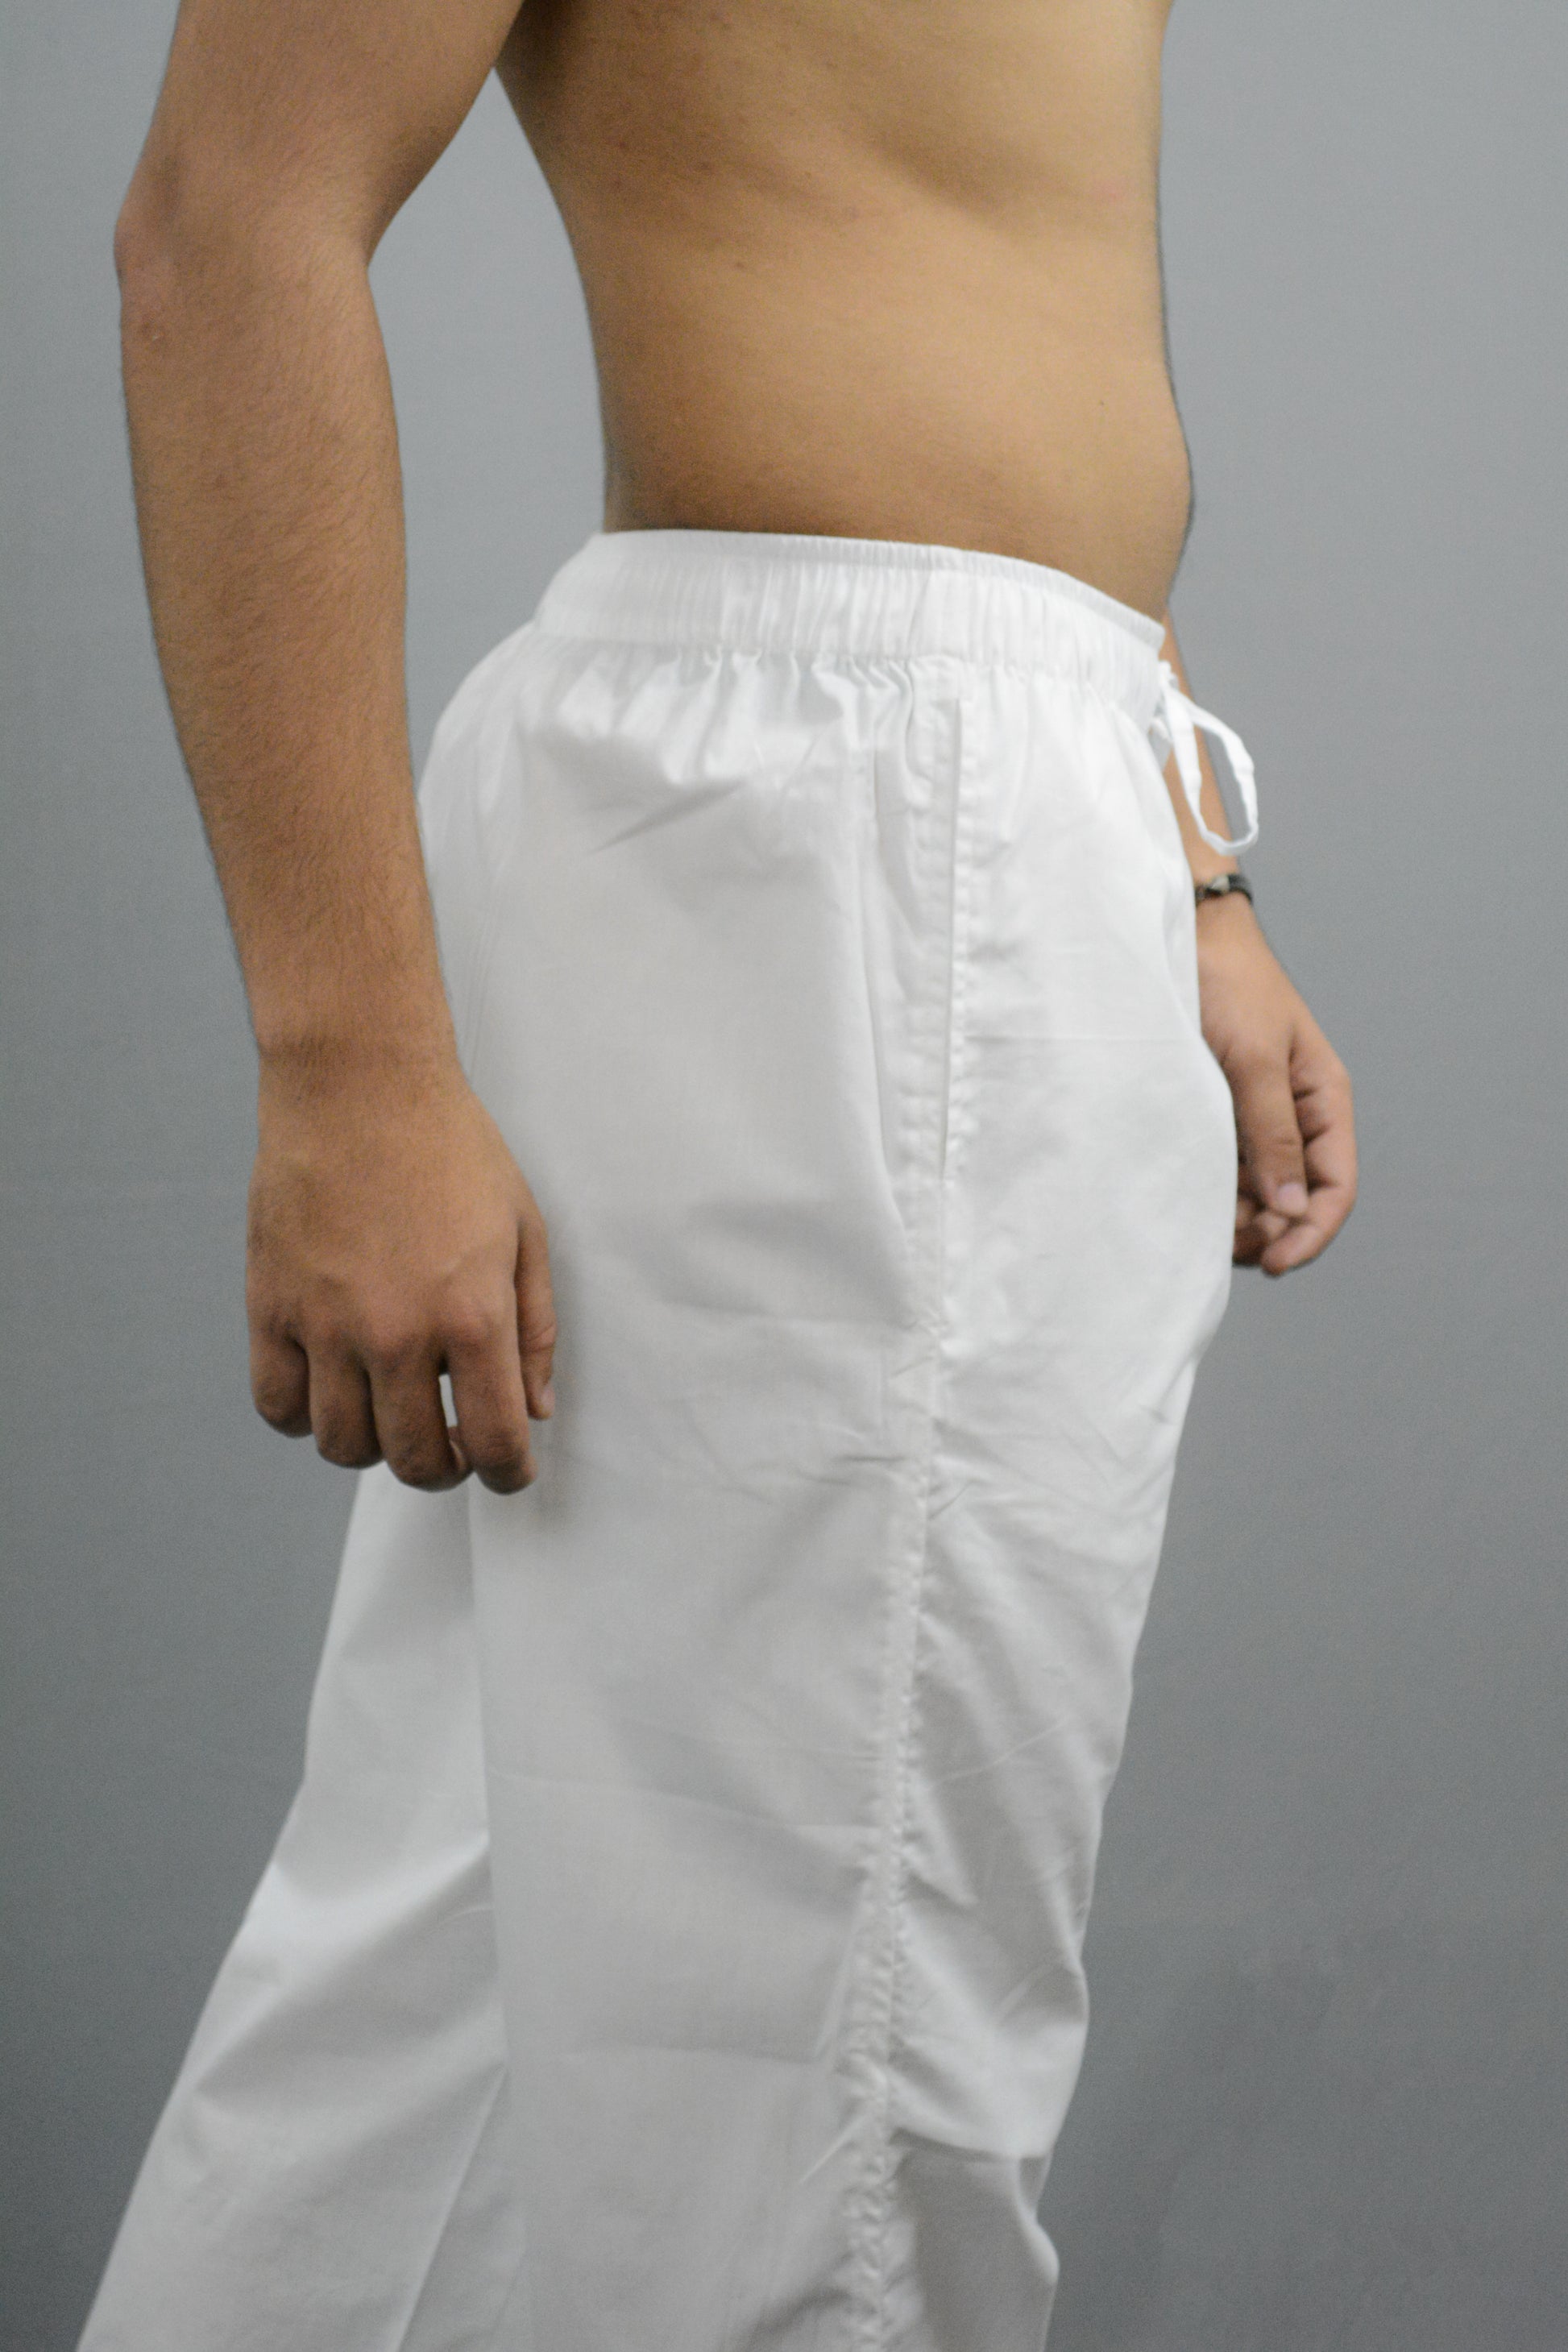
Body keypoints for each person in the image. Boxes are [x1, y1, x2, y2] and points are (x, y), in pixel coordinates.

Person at [84, 0, 1357, 2344]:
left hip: (956, 790)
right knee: (845, 2028)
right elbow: (230, 223)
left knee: (455, 1988)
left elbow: (1000, 239)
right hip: (855, 832)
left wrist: (1184, 864)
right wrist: (349, 1060)